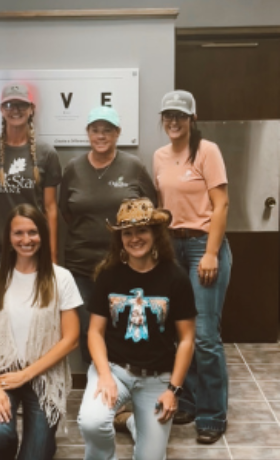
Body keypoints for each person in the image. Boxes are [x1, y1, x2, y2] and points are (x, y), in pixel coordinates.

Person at [76, 198, 196, 460]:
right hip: (115, 370)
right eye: (127, 233)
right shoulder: (108, 275)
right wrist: (105, 375)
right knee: (92, 422)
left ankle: (134, 423)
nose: (135, 238)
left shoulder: (176, 278)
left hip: (157, 377)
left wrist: (173, 390)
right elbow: (94, 332)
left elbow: (187, 339)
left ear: (155, 233)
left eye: (142, 230)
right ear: (120, 239)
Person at [151, 89, 231, 444]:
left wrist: (211, 253)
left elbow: (222, 204)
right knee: (181, 330)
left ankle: (212, 414)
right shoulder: (159, 156)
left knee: (206, 336)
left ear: (191, 119)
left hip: (202, 245)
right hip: (172, 247)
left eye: (180, 116)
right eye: (168, 115)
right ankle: (191, 401)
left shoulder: (207, 151)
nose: (173, 121)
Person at [0, 204, 81, 459]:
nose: (26, 240)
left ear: (42, 236)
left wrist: (26, 374)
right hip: (1, 372)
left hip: (43, 376)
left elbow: (72, 338)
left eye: (33, 232)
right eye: (18, 233)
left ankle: (43, 445)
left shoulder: (61, 278)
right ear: (9, 239)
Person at [59, 105, 158, 370]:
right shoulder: (73, 168)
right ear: (88, 133)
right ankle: (99, 389)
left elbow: (150, 207)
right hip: (81, 265)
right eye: (95, 130)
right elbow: (67, 212)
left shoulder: (133, 166)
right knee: (85, 328)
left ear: (118, 134)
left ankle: (124, 389)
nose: (101, 136)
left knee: (124, 326)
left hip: (124, 263)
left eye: (107, 130)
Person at [0, 82, 61, 279]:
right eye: (10, 105)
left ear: (31, 109)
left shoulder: (47, 154)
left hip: (33, 247)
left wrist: (52, 256)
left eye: (22, 105)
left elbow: (51, 208)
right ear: (2, 109)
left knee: (33, 308)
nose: (16, 111)